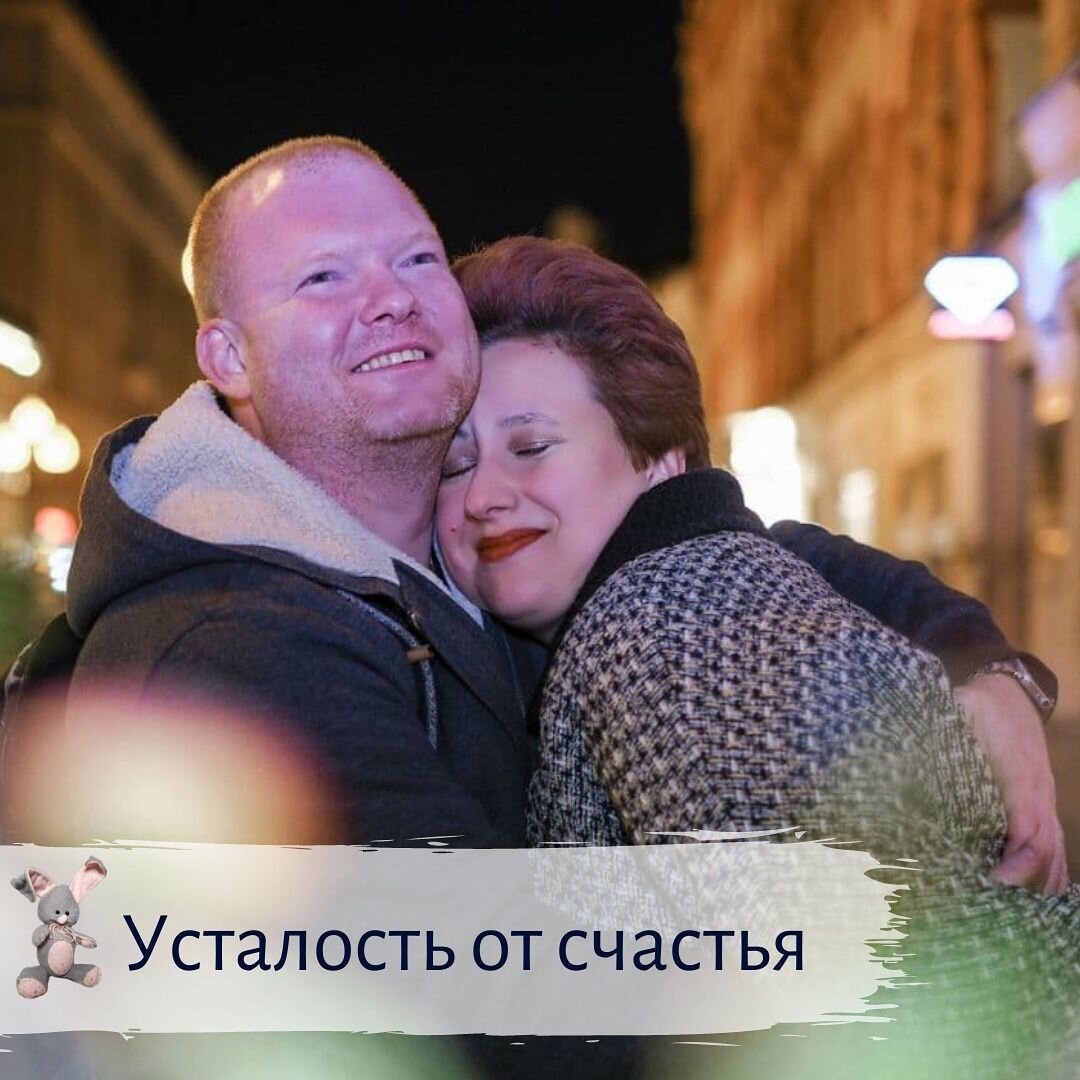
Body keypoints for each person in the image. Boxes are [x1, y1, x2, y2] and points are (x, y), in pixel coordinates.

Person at [11, 137, 1058, 877]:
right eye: (323, 276)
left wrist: (989, 671)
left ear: (660, 467)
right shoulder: (238, 641)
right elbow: (498, 1001)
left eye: (416, 258)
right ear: (227, 355)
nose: (389, 295)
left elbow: (757, 549)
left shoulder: (539, 594)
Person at [436, 235, 1080, 1075]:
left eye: (530, 447)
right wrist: (996, 669)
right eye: (455, 464)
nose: (484, 495)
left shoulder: (671, 635)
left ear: (659, 460)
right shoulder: (689, 587)